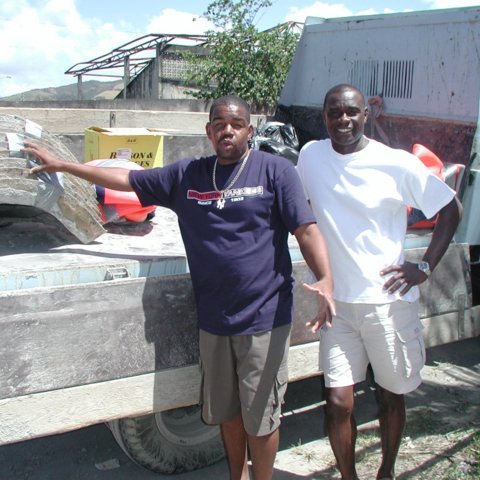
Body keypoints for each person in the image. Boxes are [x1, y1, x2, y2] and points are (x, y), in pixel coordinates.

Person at [24, 95, 335, 480]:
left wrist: (325, 278)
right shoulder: (188, 175)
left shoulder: (275, 171)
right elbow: (127, 179)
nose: (227, 130)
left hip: (265, 319)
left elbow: (306, 228)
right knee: (227, 412)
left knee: (262, 418)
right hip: (215, 319)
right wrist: (65, 166)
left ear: (249, 131)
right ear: (208, 132)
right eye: (219, 123)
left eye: (236, 124)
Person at [296, 84, 462, 480]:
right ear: (324, 117)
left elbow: (450, 208)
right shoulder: (310, 156)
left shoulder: (395, 162)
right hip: (337, 306)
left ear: (366, 115)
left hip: (388, 304)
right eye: (335, 112)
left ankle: (385, 471)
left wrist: (423, 267)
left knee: (391, 395)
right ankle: (350, 477)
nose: (343, 120)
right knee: (338, 401)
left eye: (352, 112)